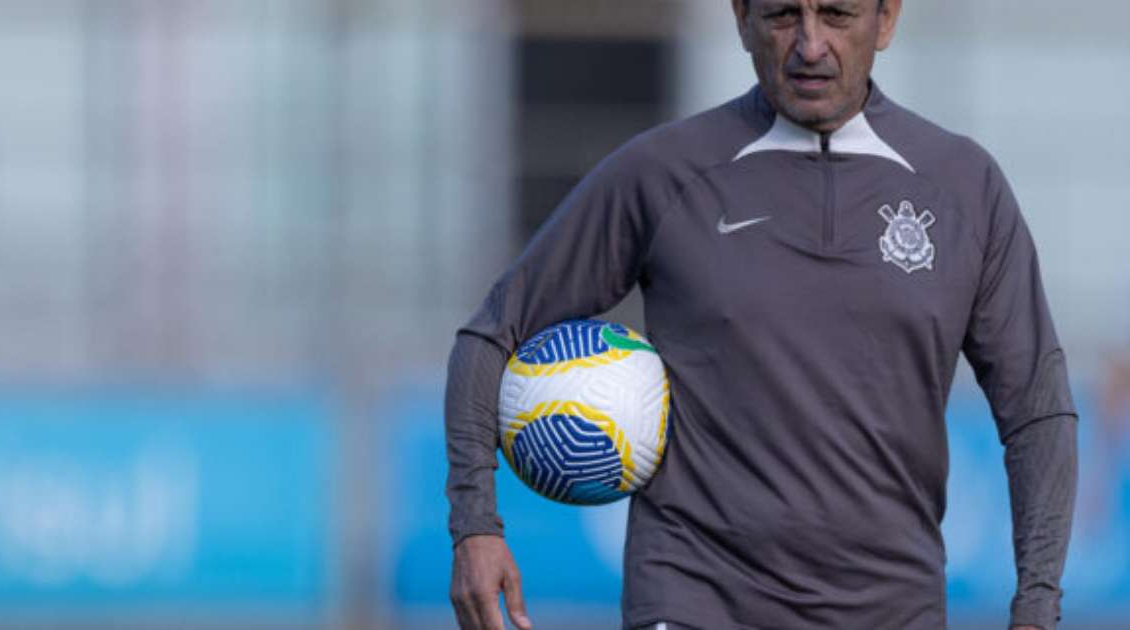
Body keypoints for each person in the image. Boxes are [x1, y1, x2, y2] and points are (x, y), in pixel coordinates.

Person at [444, 0, 1079, 628]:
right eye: (782, 15)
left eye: (836, 14)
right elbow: (490, 334)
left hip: (893, 609)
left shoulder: (964, 186)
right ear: (741, 16)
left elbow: (1037, 412)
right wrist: (476, 527)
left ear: (886, 19)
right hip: (695, 598)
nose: (809, 45)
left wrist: (1037, 606)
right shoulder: (663, 173)